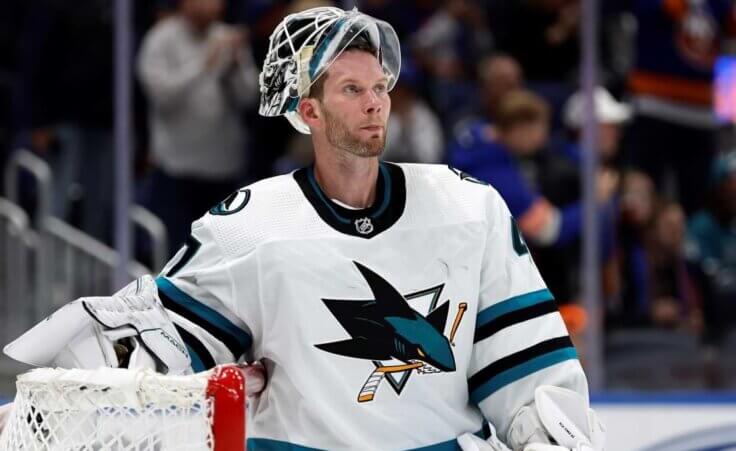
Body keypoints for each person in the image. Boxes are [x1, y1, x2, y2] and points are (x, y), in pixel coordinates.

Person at [2, 7, 604, 450]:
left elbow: (530, 376)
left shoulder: (468, 209)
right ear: (308, 112)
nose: (375, 103)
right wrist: (49, 408)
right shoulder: (251, 227)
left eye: (379, 88)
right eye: (351, 90)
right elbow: (150, 354)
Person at [137, 0, 259, 251]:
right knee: (178, 253)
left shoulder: (227, 37)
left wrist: (234, 69)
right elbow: (162, 96)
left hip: (223, 169)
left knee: (218, 255)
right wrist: (204, 65)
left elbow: (250, 97)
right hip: (177, 169)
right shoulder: (161, 39)